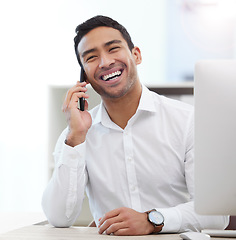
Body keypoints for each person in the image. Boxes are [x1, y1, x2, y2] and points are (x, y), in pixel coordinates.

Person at [42, 15, 229, 236]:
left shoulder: (188, 120)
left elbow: (217, 215)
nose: (104, 62)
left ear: (136, 55)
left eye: (113, 49)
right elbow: (58, 218)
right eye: (91, 57)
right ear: (85, 76)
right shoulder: (76, 134)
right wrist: (75, 137)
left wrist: (153, 220)